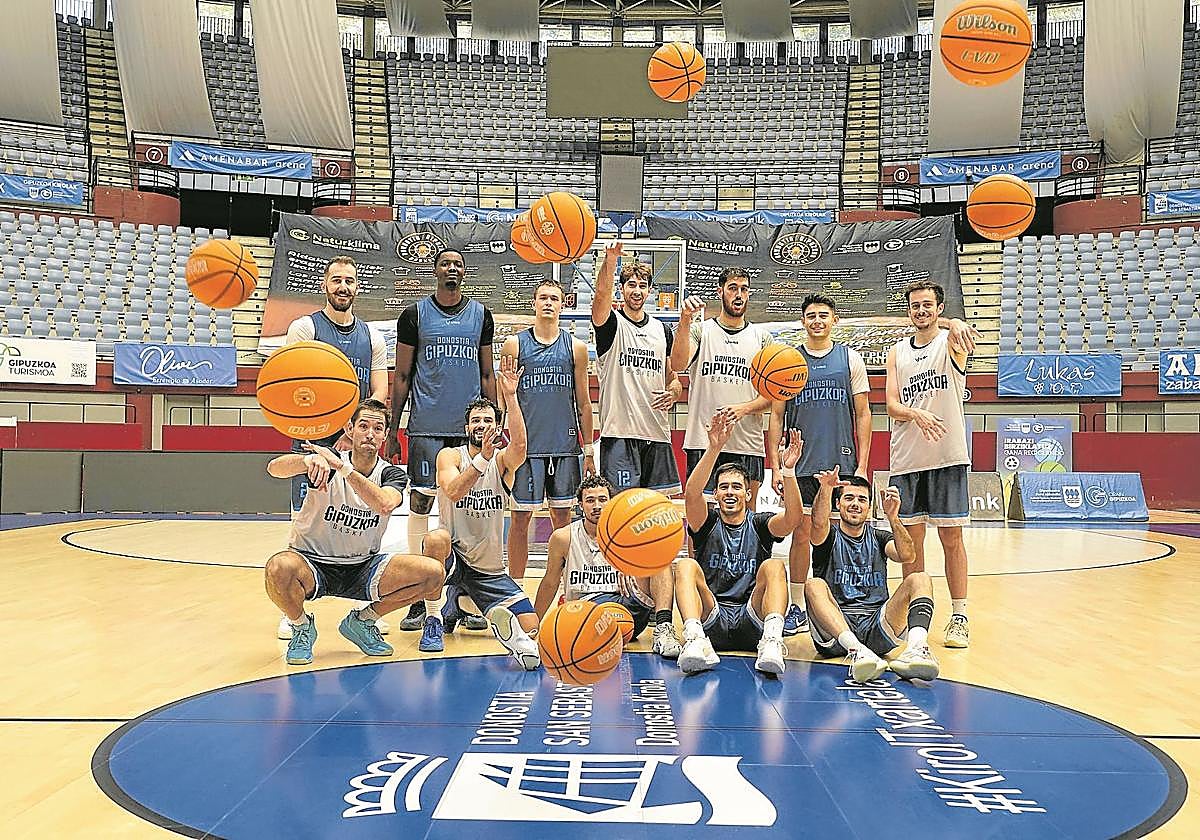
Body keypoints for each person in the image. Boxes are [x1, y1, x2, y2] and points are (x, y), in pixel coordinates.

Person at [263, 399, 445, 666]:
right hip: (313, 562)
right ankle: (301, 627)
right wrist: (307, 459)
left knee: (433, 573)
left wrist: (343, 469)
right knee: (278, 567)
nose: (370, 434)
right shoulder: (324, 463)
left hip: (362, 566)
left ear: (385, 435)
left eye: (378, 428)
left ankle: (363, 621)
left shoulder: (390, 474)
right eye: (363, 426)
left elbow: (384, 503)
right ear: (350, 429)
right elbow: (274, 469)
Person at [277, 255, 389, 641]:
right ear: (324, 284)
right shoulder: (304, 328)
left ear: (358, 287)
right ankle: (293, 609)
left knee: (366, 512)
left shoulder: (373, 337)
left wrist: (351, 431)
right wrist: (322, 433)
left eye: (350, 280)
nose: (344, 286)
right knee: (304, 519)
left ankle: (368, 601)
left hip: (355, 438)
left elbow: (379, 392)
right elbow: (288, 385)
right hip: (311, 438)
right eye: (336, 279)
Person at [387, 248, 495, 633]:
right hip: (426, 427)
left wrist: (492, 424)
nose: (452, 268)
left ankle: (465, 599)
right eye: (445, 263)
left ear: (464, 273)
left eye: (458, 264)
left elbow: (487, 375)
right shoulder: (414, 315)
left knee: (468, 511)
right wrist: (392, 429)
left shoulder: (481, 315)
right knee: (420, 506)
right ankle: (418, 596)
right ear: (435, 271)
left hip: (469, 430)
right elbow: (401, 376)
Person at [592, 241, 684, 659]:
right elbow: (597, 301)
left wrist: (678, 381)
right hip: (619, 436)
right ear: (622, 289)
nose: (636, 290)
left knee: (662, 533)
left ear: (650, 290)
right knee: (621, 528)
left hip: (658, 439)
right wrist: (610, 264)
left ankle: (664, 622)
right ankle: (629, 599)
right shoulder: (611, 325)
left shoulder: (661, 330)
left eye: (642, 285)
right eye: (630, 284)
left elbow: (676, 368)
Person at [418, 355, 541, 669]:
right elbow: (454, 490)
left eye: (488, 420)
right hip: (453, 557)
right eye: (476, 421)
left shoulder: (501, 462)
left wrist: (511, 397)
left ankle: (459, 604)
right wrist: (481, 460)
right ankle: (433, 620)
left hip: (487, 568)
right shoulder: (450, 455)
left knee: (531, 627)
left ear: (496, 426)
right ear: (466, 427)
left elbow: (521, 448)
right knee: (435, 538)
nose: (482, 425)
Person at [765, 293, 871, 637]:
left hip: (840, 462)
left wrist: (863, 465)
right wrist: (776, 467)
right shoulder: (788, 362)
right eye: (810, 315)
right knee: (801, 534)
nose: (817, 321)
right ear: (803, 321)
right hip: (801, 464)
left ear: (834, 320)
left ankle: (835, 601)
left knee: (838, 537)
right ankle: (797, 605)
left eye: (823, 315)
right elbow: (776, 416)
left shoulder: (850, 359)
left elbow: (864, 414)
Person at [674, 412, 804, 676]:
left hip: (751, 616)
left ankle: (772, 640)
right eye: (723, 487)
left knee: (775, 566)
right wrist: (714, 448)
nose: (729, 492)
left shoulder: (759, 524)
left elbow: (793, 518)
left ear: (748, 494)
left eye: (736, 487)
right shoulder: (707, 521)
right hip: (712, 615)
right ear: (717, 494)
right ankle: (695, 639)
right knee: (686, 565)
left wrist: (788, 471)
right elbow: (691, 493)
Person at [885, 280, 973, 649]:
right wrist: (915, 414)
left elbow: (961, 331)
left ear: (939, 308)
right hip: (907, 458)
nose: (921, 311)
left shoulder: (950, 343)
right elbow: (891, 405)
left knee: (951, 538)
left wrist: (955, 323)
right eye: (915, 306)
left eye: (927, 305)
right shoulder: (896, 353)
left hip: (946, 454)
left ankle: (960, 616)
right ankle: (912, 613)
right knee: (911, 544)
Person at [804, 469, 940, 682]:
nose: (855, 504)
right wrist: (826, 488)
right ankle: (856, 650)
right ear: (838, 504)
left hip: (877, 626)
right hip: (836, 631)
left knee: (920, 578)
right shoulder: (828, 536)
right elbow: (819, 522)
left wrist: (893, 518)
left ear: (869, 507)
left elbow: (907, 555)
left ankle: (916, 648)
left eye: (862, 499)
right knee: (813, 584)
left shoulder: (878, 537)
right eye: (848, 498)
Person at [502, 278, 595, 582]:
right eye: (543, 297)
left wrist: (589, 448)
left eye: (554, 298)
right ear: (533, 302)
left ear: (564, 303)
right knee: (519, 519)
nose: (548, 303)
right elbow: (506, 398)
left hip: (564, 447)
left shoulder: (576, 348)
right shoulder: (515, 344)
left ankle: (568, 587)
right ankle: (514, 591)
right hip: (526, 449)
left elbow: (583, 402)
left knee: (564, 520)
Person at [671, 266, 771, 503]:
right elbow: (677, 363)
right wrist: (684, 321)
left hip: (747, 442)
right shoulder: (700, 331)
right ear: (720, 291)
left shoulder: (762, 338)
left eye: (744, 289)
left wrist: (744, 408)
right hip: (704, 440)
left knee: (747, 521)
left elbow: (773, 396)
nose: (739, 294)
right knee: (699, 521)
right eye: (732, 288)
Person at [533, 474, 654, 640]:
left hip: (626, 609)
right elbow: (550, 582)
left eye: (602, 499)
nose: (597, 506)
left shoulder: (629, 532)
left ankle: (664, 626)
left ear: (611, 503)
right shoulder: (563, 537)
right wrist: (534, 624)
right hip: (586, 608)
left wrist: (632, 565)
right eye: (590, 500)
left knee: (661, 563)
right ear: (581, 505)